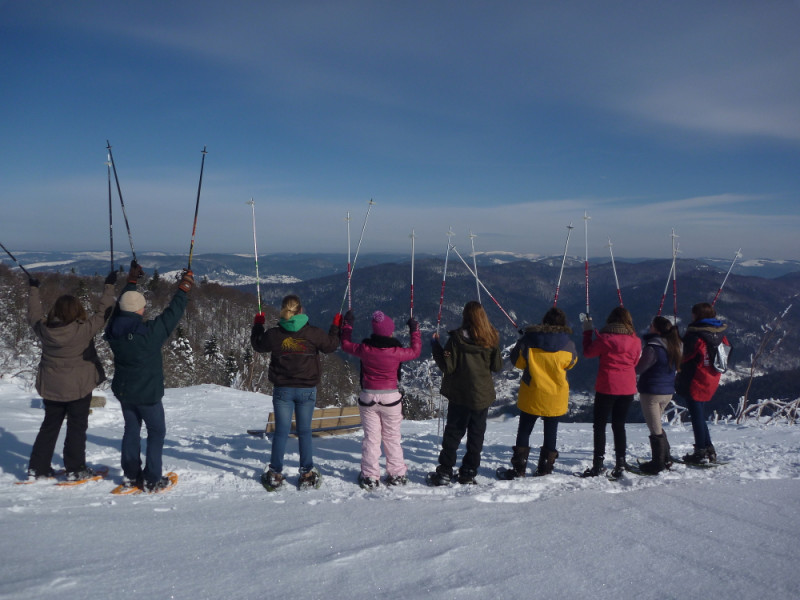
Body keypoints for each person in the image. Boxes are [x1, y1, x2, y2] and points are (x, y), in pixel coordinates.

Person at [105, 261, 193, 492]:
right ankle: (152, 478)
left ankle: (131, 476)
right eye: (142, 308)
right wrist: (183, 289)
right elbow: (171, 314)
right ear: (138, 311)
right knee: (156, 432)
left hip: (125, 391)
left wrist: (131, 283)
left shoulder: (112, 330)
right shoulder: (149, 335)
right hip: (148, 394)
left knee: (131, 430)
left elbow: (118, 310)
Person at [26, 271, 117, 480]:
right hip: (79, 387)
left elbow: (33, 315)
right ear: (77, 310)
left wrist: (33, 289)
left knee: (49, 427)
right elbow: (103, 312)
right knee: (76, 428)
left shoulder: (44, 330)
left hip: (51, 387)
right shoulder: (83, 330)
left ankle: (38, 468)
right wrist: (109, 286)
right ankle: (75, 468)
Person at [250, 294, 340, 491]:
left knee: (281, 432)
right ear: (301, 311)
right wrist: (336, 326)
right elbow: (331, 346)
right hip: (306, 389)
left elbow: (258, 344)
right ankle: (307, 472)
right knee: (304, 431)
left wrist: (258, 325)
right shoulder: (313, 333)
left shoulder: (274, 334)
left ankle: (275, 473)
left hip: (283, 389)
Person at [339, 310, 422, 489]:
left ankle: (370, 475)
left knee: (371, 438)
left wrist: (347, 325)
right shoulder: (396, 352)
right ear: (390, 332)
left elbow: (345, 344)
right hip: (391, 398)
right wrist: (414, 330)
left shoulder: (365, 349)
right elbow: (415, 351)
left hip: (368, 396)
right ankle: (397, 474)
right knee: (392, 438)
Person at [429, 301, 503, 485]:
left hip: (460, 395)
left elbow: (448, 366)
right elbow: (497, 366)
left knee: (453, 434)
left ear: (465, 316)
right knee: (476, 434)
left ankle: (445, 471)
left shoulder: (456, 340)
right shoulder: (491, 338)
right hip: (481, 396)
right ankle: (469, 472)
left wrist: (435, 346)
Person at [499, 307, 577, 479]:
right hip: (556, 396)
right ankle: (545, 469)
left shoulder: (529, 340)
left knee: (525, 431)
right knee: (551, 432)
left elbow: (517, 362)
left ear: (544, 322)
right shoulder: (568, 345)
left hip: (532, 393)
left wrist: (521, 343)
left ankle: (519, 469)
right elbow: (571, 363)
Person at [581, 306, 641, 478]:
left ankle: (598, 464)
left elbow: (588, 353)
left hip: (607, 386)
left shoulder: (606, 338)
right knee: (619, 425)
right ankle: (620, 462)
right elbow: (636, 361)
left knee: (600, 426)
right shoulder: (635, 340)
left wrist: (587, 332)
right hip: (628, 387)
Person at [674, 302, 730, 464]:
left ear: (697, 316)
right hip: (711, 377)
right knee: (699, 413)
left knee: (696, 415)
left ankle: (700, 451)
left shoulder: (696, 335)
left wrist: (677, 340)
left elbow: (685, 355)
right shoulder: (720, 334)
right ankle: (708, 447)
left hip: (695, 379)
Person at [635, 316, 682, 474]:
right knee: (657, 425)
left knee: (655, 428)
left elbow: (639, 368)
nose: (649, 327)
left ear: (656, 329)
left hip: (651, 392)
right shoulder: (674, 345)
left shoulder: (653, 347)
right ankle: (665, 457)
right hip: (667, 392)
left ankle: (658, 463)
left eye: (651, 325)